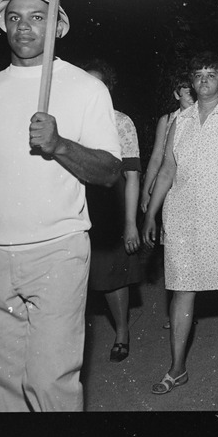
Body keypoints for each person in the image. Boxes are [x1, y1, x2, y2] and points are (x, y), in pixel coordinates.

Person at [0, 0, 122, 411]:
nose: (24, 27)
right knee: (2, 384)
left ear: (58, 26)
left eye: (37, 17)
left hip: (58, 250)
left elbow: (109, 171)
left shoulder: (86, 89)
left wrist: (60, 143)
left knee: (50, 382)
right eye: (15, 17)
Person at [141, 52, 218, 394]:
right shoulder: (181, 121)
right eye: (198, 74)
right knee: (182, 287)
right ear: (191, 82)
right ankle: (176, 368)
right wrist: (150, 212)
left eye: (211, 74)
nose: (204, 79)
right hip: (182, 217)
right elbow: (166, 169)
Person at [83, 59, 143, 363]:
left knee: (111, 275)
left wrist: (130, 222)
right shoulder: (69, 120)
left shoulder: (121, 122)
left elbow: (132, 175)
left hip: (110, 206)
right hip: (77, 204)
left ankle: (122, 331)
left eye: (100, 84)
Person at [138, 73, 195, 330]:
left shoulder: (202, 117)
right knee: (174, 250)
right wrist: (146, 194)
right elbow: (156, 158)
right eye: (185, 92)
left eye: (192, 91)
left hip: (195, 191)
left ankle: (190, 306)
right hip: (169, 189)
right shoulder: (168, 120)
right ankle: (178, 308)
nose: (190, 96)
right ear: (176, 94)